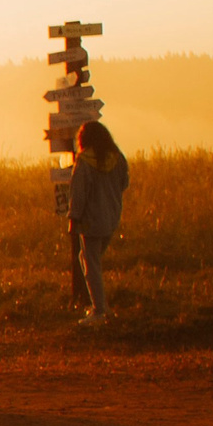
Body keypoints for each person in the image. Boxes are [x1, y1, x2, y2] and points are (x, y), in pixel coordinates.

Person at [69, 120, 129, 324]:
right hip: (111, 218)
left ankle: (99, 311)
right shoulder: (118, 158)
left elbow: (78, 194)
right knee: (89, 259)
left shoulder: (84, 162)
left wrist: (73, 218)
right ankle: (100, 306)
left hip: (90, 221)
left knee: (90, 263)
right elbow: (124, 183)